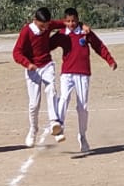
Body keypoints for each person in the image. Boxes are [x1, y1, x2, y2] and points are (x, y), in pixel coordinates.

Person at [50, 8, 117, 154]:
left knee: (82, 107)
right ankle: (59, 126)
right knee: (64, 98)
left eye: (73, 21)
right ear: (64, 21)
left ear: (78, 20)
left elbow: (99, 46)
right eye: (67, 21)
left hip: (83, 73)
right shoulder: (62, 34)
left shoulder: (85, 33)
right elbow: (47, 45)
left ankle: (82, 135)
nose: (71, 24)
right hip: (67, 73)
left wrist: (110, 60)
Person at [11, 6, 62, 146]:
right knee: (34, 104)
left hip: (47, 65)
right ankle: (33, 129)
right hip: (32, 68)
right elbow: (16, 53)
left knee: (51, 89)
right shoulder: (26, 31)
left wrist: (81, 25)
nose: (44, 29)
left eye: (46, 26)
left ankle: (54, 123)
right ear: (35, 21)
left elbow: (65, 23)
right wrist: (27, 64)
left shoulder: (49, 25)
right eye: (41, 26)